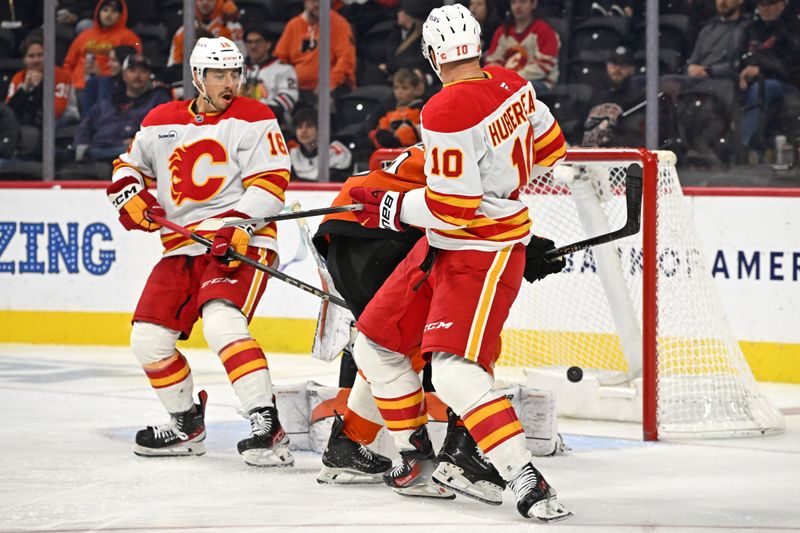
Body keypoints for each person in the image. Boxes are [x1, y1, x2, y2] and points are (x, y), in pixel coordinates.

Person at [346, 4, 571, 521]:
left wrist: (391, 206)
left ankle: (525, 478)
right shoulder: (514, 82)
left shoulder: (444, 109)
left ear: (431, 55)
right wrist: (490, 169)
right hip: (448, 246)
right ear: (477, 44)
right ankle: (417, 458)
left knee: (450, 373)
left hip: (479, 251)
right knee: (375, 341)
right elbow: (553, 149)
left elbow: (453, 208)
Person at [104, 37, 294, 468]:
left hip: (238, 244)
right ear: (197, 77)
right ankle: (186, 424)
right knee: (148, 341)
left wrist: (236, 223)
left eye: (235, 73)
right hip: (180, 249)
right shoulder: (159, 121)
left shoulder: (255, 117)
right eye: (219, 74)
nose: (230, 83)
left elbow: (271, 185)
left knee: (222, 322)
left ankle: (268, 425)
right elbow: (127, 166)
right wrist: (131, 194)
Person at [74, 54, 171, 163]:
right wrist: (81, 148)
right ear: (124, 75)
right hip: (99, 152)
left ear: (149, 75)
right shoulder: (108, 101)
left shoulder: (159, 101)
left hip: (134, 158)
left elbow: (166, 134)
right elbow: (85, 126)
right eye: (132, 70)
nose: (138, 75)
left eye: (143, 71)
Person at [737, 0, 800, 158]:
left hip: (787, 84)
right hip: (754, 82)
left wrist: (761, 70)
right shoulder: (751, 29)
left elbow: (791, 67)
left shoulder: (793, 28)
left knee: (764, 88)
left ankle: (744, 145)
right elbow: (739, 59)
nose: (765, 9)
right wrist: (741, 75)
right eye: (762, 5)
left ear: (782, 4)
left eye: (770, 4)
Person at [6, 30, 77, 159]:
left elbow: (55, 112)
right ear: (24, 59)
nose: (36, 60)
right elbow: (9, 112)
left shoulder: (61, 75)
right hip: (31, 122)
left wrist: (39, 86)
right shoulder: (19, 77)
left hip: (62, 121)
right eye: (31, 56)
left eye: (40, 55)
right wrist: (24, 90)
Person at [62, 0, 142, 109]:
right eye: (105, 10)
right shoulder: (85, 35)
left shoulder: (130, 38)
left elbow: (133, 66)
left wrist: (103, 75)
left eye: (114, 11)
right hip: (77, 86)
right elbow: (69, 62)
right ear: (98, 12)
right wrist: (67, 82)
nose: (108, 15)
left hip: (108, 86)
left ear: (121, 15)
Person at [273, 0, 356, 101]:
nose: (317, 5)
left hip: (333, 89)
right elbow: (280, 59)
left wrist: (329, 83)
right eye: (313, 1)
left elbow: (346, 60)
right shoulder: (293, 25)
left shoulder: (339, 24)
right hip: (297, 89)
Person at [485, 0, 560, 92]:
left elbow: (544, 66)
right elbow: (491, 63)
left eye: (523, 2)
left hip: (540, 84)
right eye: (514, 2)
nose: (517, 6)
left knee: (515, 90)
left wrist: (511, 79)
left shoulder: (544, 30)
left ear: (534, 4)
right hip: (508, 83)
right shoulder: (502, 32)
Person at [580, 46, 644, 148]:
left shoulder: (637, 99)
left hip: (615, 158)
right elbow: (578, 128)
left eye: (624, 64)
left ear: (632, 69)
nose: (617, 68)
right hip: (586, 156)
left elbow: (633, 136)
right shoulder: (595, 95)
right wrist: (574, 144)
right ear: (607, 66)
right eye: (614, 63)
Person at [241, 26, 299, 130]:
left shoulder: (283, 69)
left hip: (272, 122)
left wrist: (261, 109)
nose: (253, 46)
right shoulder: (236, 69)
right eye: (249, 42)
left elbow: (289, 97)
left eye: (258, 42)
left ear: (268, 44)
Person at [168, 0, 244, 67]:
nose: (205, 2)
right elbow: (173, 67)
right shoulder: (182, 33)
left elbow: (242, 61)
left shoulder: (233, 28)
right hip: (191, 79)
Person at [288, 106, 353, 182]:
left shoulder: (337, 152)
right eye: (299, 127)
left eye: (309, 126)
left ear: (320, 129)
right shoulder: (293, 154)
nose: (303, 131)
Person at [368, 68, 424, 149]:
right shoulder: (390, 113)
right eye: (396, 88)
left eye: (404, 88)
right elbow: (381, 132)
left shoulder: (422, 111)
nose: (399, 92)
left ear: (416, 90)